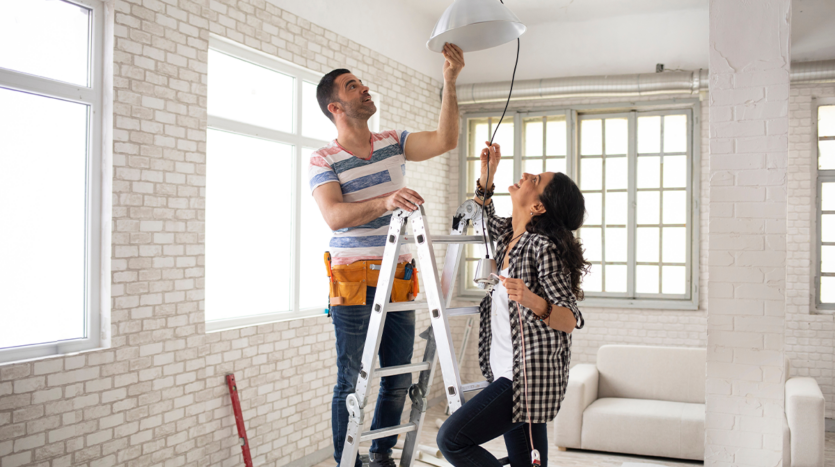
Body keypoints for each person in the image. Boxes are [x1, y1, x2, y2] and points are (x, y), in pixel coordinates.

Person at [309, 43, 465, 467]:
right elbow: (335, 216)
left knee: (397, 376)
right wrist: (387, 201)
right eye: (352, 86)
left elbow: (446, 140)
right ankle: (349, 462)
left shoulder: (393, 142)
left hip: (397, 273)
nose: (364, 89)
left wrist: (449, 81)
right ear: (335, 106)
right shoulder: (324, 158)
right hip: (353, 277)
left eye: (361, 84)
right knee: (350, 380)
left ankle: (381, 457)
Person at [436, 142, 588, 467]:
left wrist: (533, 300)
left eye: (536, 180)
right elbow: (482, 216)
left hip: (526, 378)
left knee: (452, 438)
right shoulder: (508, 237)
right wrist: (487, 174)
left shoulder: (541, 247)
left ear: (539, 207)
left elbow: (569, 320)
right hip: (506, 369)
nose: (526, 175)